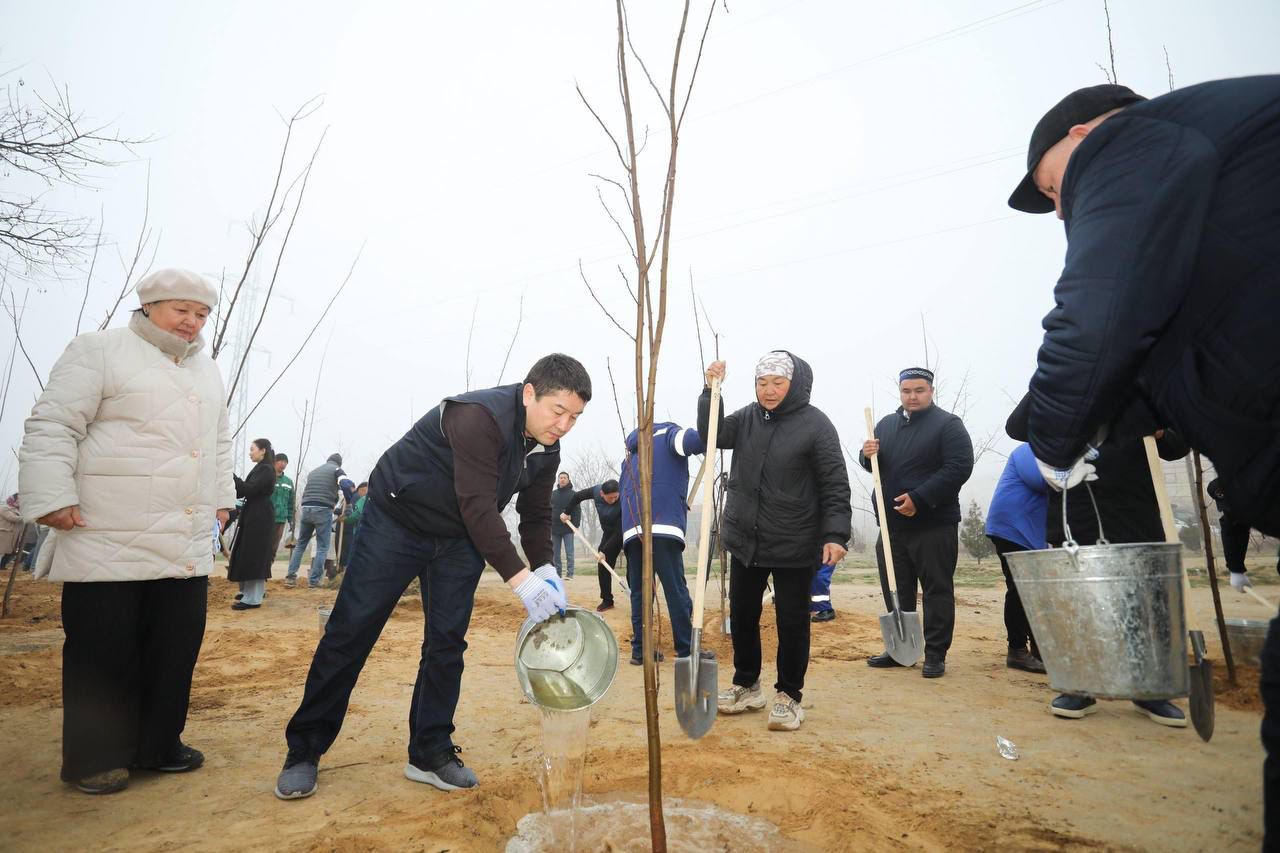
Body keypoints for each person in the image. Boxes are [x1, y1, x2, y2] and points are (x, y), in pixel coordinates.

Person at [1007, 79, 1280, 832]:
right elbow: (1189, 335)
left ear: (1084, 133)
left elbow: (1097, 316)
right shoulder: (1215, 176)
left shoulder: (1129, 144)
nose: (1061, 208)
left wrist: (1056, 435)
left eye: (1053, 186)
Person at [274, 354, 587, 801]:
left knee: (447, 642)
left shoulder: (545, 447)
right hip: (397, 521)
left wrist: (546, 569)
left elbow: (536, 513)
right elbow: (479, 505)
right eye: (559, 412)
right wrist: (522, 581)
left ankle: (429, 751)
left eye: (575, 417)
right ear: (530, 392)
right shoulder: (478, 417)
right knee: (351, 630)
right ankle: (304, 749)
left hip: (458, 539)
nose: (564, 425)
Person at [18, 267, 235, 795]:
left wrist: (223, 501)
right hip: (106, 527)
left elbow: (221, 441)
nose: (191, 322)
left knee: (173, 646)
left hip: (181, 535)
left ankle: (157, 745)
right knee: (103, 650)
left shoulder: (206, 371)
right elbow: (54, 424)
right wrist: (51, 496)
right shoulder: (99, 350)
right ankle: (95, 759)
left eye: (201, 314)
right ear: (149, 305)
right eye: (180, 309)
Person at [702, 352, 851, 732]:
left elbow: (834, 482)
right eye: (761, 383)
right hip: (745, 540)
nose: (768, 391)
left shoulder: (816, 425)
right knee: (745, 617)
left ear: (795, 384)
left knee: (792, 622)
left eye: (777, 383)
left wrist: (835, 534)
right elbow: (713, 435)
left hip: (794, 540)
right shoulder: (747, 418)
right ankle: (747, 684)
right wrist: (710, 392)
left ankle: (789, 695)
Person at [861, 367, 974, 679]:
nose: (912, 396)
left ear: (931, 391)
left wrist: (920, 499)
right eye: (906, 391)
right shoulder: (886, 424)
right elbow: (875, 466)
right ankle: (900, 648)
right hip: (891, 526)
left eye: (919, 390)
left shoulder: (948, 425)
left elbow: (958, 468)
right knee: (897, 589)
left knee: (936, 589)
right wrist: (865, 453)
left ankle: (936, 653)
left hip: (933, 524)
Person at [619, 424, 704, 667]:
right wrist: (715, 426)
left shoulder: (630, 457)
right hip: (662, 523)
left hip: (633, 529)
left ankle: (640, 650)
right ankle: (686, 648)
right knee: (675, 588)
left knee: (640, 592)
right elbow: (695, 442)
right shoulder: (668, 434)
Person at [984, 443, 1047, 673]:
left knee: (1036, 590)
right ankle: (1018, 650)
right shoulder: (1028, 450)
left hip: (1031, 533)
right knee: (1020, 588)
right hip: (1011, 528)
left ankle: (1041, 649)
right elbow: (1041, 480)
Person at [228, 439, 278, 611]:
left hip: (260, 516)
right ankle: (247, 592)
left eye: (252, 449)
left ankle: (253, 598)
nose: (250, 452)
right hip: (254, 513)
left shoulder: (266, 469)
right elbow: (245, 490)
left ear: (263, 450)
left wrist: (231, 475)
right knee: (248, 552)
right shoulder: (261, 468)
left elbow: (248, 489)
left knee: (255, 554)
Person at [562, 478, 622, 611]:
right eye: (610, 498)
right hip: (608, 532)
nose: (613, 500)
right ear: (602, 494)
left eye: (615, 497)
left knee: (634, 569)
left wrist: (604, 550)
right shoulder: (596, 491)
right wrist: (567, 512)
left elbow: (619, 533)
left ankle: (639, 602)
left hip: (625, 532)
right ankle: (607, 600)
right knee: (603, 565)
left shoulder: (623, 499)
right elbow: (577, 496)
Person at [285, 453, 344, 589]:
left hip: (306, 508)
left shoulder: (314, 472)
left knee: (300, 545)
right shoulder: (337, 471)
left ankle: (290, 577)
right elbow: (345, 485)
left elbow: (307, 492)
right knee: (322, 547)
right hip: (323, 510)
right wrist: (347, 507)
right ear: (339, 463)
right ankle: (314, 581)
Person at [550, 472, 581, 579]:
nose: (562, 479)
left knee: (569, 552)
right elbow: (549, 510)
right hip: (554, 528)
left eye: (564, 478)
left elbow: (577, 510)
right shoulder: (553, 494)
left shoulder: (573, 494)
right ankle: (557, 574)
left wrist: (575, 524)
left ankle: (570, 574)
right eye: (560, 478)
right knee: (555, 554)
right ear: (558, 480)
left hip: (568, 528)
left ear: (568, 480)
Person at [270, 453, 294, 557]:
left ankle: (268, 568)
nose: (283, 464)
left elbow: (291, 502)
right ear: (275, 462)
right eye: (281, 461)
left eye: (285, 462)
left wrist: (291, 519)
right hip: (268, 517)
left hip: (281, 519)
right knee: (264, 544)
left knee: (274, 546)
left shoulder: (288, 482)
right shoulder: (268, 478)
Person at [0, 494, 24, 572]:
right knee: (1, 552)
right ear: (13, 499)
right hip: (5, 534)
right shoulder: (4, 508)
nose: (20, 501)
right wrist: (26, 517)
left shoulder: (18, 510)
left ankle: (2, 566)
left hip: (14, 536)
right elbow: (13, 518)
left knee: (11, 552)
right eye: (18, 499)